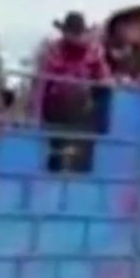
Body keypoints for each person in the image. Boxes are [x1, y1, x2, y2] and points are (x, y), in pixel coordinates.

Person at [31, 12, 109, 172]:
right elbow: (41, 84)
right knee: (55, 146)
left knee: (102, 97)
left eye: (78, 34)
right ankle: (54, 167)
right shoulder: (53, 51)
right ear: (65, 33)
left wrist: (100, 84)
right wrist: (36, 116)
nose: (75, 39)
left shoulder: (93, 51)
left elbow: (104, 78)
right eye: (72, 33)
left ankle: (85, 162)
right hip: (55, 105)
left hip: (83, 107)